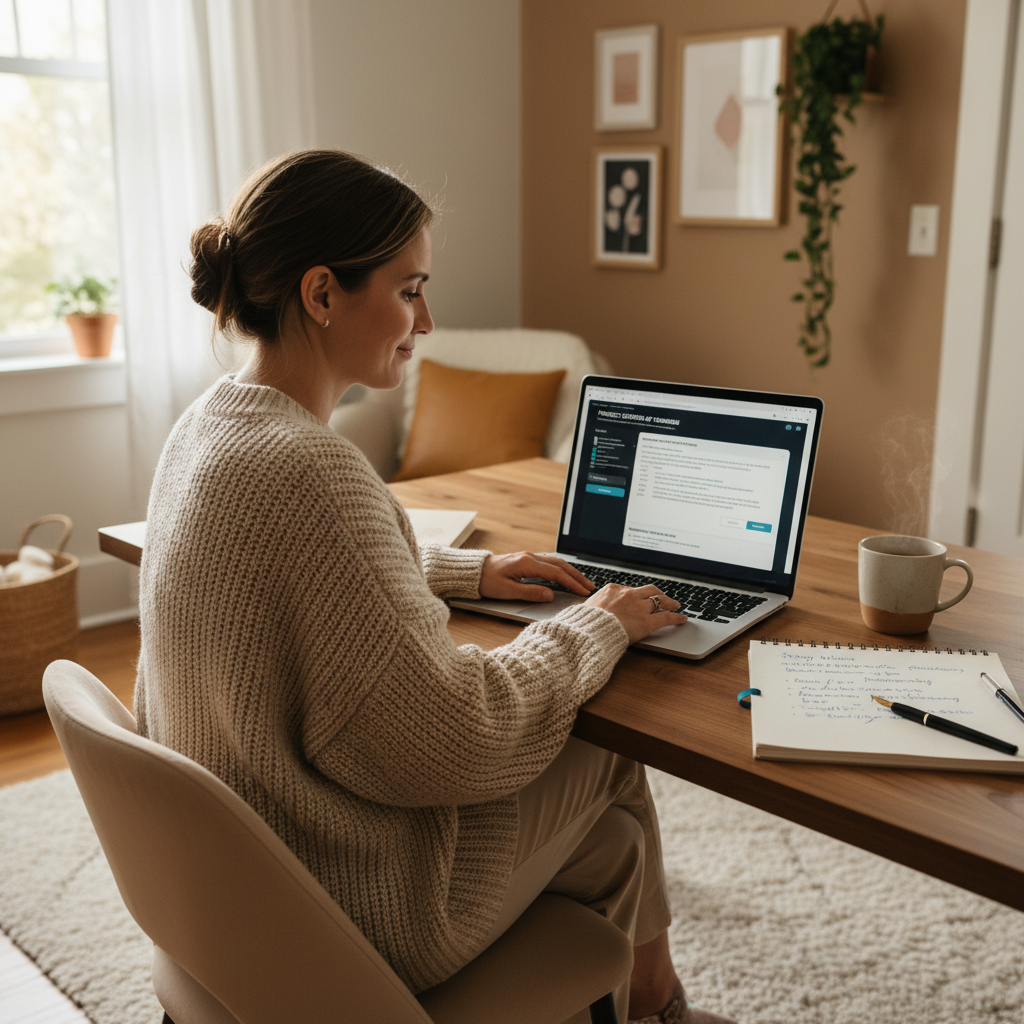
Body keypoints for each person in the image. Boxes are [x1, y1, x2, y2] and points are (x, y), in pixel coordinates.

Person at [134, 149, 735, 1024]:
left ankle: (645, 998)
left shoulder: (210, 426)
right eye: (410, 288)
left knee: (607, 845)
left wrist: (468, 571)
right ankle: (657, 1002)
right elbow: (457, 738)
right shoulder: (312, 471)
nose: (428, 316)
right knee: (608, 745)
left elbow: (292, 581)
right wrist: (594, 626)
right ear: (322, 294)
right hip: (356, 903)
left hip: (241, 888)